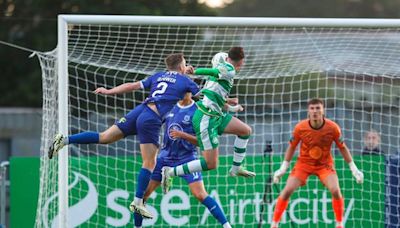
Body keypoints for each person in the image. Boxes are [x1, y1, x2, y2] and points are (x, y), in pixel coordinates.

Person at [47, 53, 200, 219]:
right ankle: (138, 202)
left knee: (104, 137)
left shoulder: (159, 76)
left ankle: (64, 140)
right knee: (150, 162)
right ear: (181, 66)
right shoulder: (186, 81)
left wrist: (109, 91)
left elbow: (132, 86)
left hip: (139, 111)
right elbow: (203, 96)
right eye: (185, 64)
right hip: (151, 118)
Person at [162, 47, 255, 192]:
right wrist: (195, 71)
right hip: (206, 118)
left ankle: (236, 168)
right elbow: (214, 72)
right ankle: (170, 172)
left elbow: (212, 95)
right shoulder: (228, 71)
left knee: (245, 131)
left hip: (216, 115)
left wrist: (230, 107)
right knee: (211, 163)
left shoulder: (217, 75)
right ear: (240, 63)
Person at [133, 92, 232, 228]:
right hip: (164, 158)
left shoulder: (198, 111)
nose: (179, 92)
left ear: (190, 92)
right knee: (143, 195)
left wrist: (182, 135)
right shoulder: (168, 107)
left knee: (200, 194)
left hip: (187, 157)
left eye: (183, 89)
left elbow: (202, 142)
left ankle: (226, 225)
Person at [271, 98, 364, 228]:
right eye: (312, 108)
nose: (315, 111)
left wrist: (354, 169)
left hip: (324, 165)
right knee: (287, 191)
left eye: (318, 108)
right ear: (308, 111)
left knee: (336, 190)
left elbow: (342, 147)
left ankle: (339, 224)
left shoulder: (333, 128)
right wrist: (283, 168)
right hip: (304, 164)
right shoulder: (300, 128)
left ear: (323, 110)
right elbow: (292, 147)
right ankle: (274, 224)